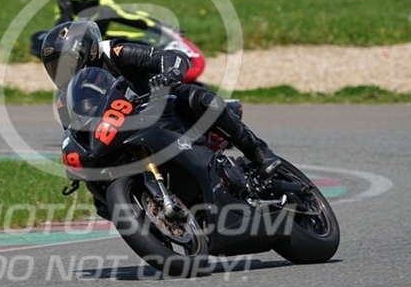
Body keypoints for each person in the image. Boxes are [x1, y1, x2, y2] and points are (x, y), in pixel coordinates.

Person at [39, 20, 281, 178]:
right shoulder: (65, 99)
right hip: (120, 135)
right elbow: (75, 135)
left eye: (67, 63)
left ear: (90, 50)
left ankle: (259, 152)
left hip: (161, 109)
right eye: (55, 67)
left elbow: (169, 57)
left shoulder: (114, 53)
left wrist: (170, 74)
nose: (63, 72)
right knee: (99, 197)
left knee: (196, 97)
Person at [30, 0, 206, 84]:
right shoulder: (64, 7)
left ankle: (156, 70)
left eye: (89, 4)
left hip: (99, 41)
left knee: (142, 43)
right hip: (77, 45)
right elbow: (59, 27)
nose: (84, 8)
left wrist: (163, 28)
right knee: (39, 37)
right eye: (79, 5)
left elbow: (130, 18)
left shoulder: (105, 5)